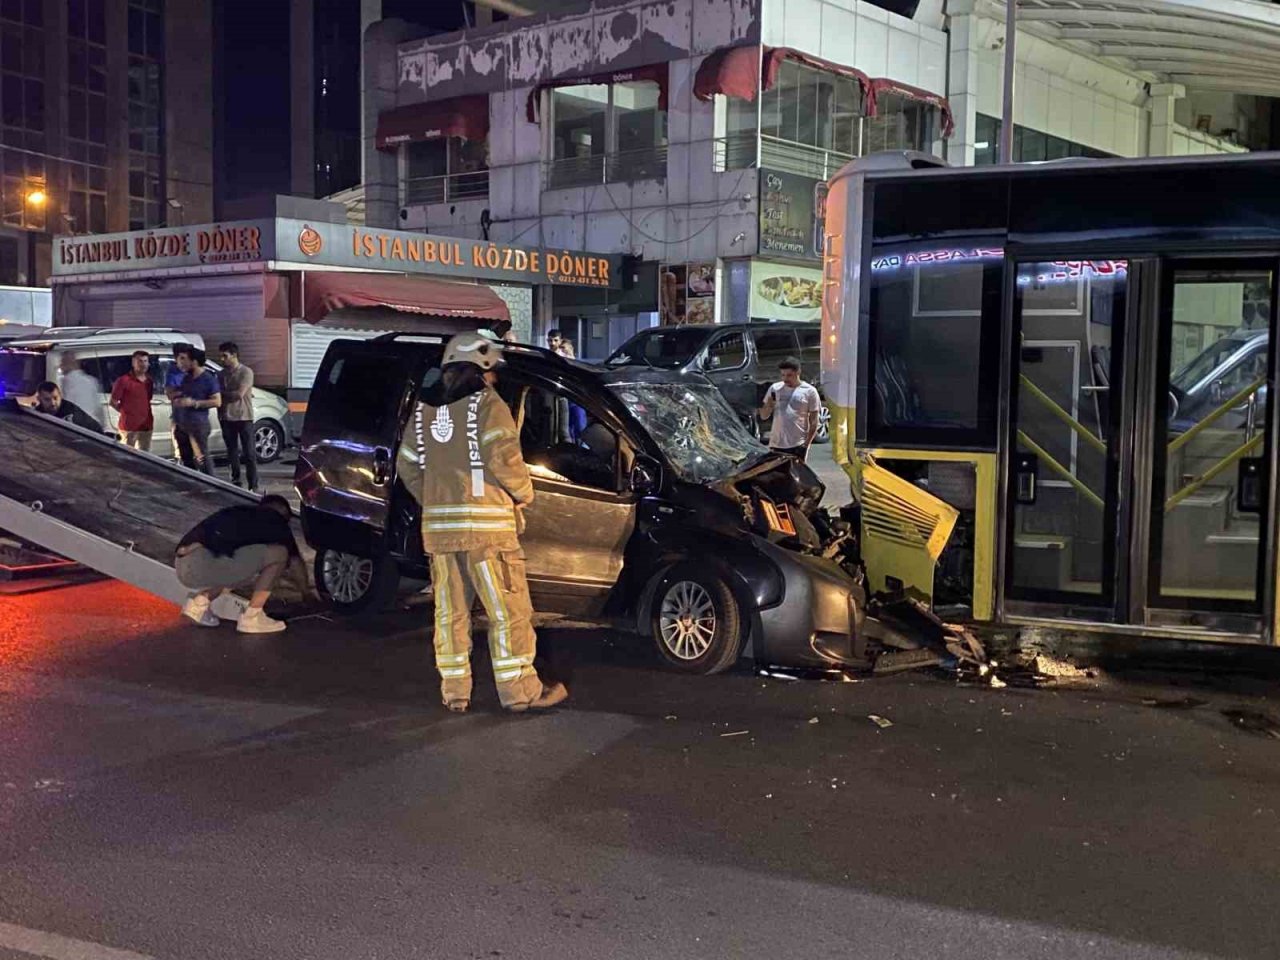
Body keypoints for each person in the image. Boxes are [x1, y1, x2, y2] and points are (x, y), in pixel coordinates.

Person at [396, 333, 568, 714]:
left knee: (450, 614)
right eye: (492, 372)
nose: (495, 379)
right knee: (508, 611)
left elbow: (407, 465)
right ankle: (520, 692)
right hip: (488, 534)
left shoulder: (423, 413)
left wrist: (435, 499)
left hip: (441, 537)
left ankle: (455, 692)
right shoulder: (489, 406)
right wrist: (525, 494)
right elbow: (504, 460)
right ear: (481, 369)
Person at [174, 495, 309, 634]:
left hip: (182, 563)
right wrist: (306, 593)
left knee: (243, 569)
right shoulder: (276, 520)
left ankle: (199, 604)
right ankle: (252, 617)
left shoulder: (240, 513)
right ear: (283, 513)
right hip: (206, 562)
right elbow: (295, 562)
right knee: (280, 553)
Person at [758, 355, 822, 462]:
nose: (785, 379)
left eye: (789, 375)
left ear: (798, 372)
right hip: (776, 444)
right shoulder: (775, 389)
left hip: (797, 444)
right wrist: (769, 405)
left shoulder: (809, 391)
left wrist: (806, 445)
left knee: (796, 472)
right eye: (783, 375)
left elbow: (814, 421)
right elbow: (763, 416)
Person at [172, 346, 221, 476]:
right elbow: (184, 394)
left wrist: (194, 403)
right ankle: (192, 482)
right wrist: (178, 399)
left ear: (193, 361)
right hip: (182, 424)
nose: (180, 362)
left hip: (197, 425)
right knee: (186, 459)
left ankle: (211, 483)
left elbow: (217, 401)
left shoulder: (208, 379)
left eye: (184, 359)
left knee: (202, 458)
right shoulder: (187, 378)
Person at [217, 341, 258, 491]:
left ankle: (253, 484)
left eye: (225, 356)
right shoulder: (221, 374)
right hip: (226, 417)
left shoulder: (246, 372)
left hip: (244, 417)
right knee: (232, 452)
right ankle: (236, 481)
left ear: (234, 355)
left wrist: (222, 395)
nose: (222, 359)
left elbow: (239, 394)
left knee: (249, 453)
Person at [109, 350, 155, 451]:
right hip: (129, 427)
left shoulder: (149, 381)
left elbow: (148, 400)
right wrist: (126, 412)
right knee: (127, 455)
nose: (143, 364)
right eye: (140, 361)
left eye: (145, 361)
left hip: (146, 426)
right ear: (133, 363)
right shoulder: (123, 381)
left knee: (145, 455)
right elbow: (113, 402)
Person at [34, 381, 106, 432]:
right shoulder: (36, 414)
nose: (53, 403)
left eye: (55, 398)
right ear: (39, 399)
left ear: (60, 396)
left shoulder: (70, 411)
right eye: (47, 399)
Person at [166, 345, 195, 467]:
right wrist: (184, 391)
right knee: (184, 453)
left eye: (187, 358)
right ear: (176, 358)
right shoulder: (173, 374)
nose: (185, 361)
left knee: (200, 453)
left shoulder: (195, 371)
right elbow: (170, 394)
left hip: (195, 418)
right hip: (180, 418)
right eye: (182, 358)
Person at [58, 353, 103, 428]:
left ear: (71, 364)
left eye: (63, 363)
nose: (61, 366)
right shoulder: (91, 381)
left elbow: (66, 409)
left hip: (76, 428)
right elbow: (99, 410)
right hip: (92, 427)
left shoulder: (66, 382)